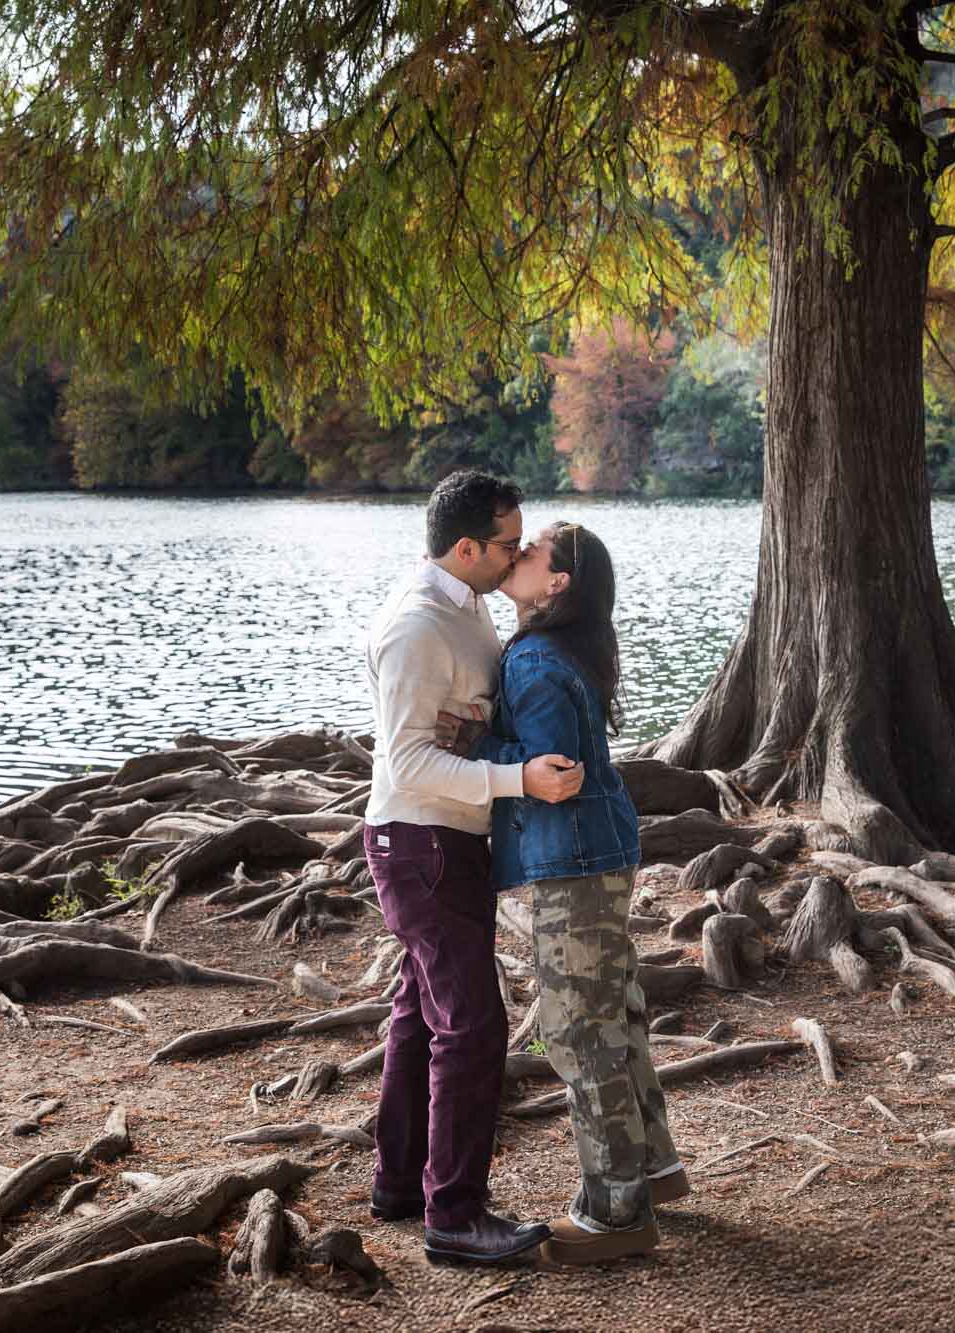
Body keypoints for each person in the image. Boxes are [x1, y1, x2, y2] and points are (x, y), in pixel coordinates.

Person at [443, 520, 687, 1265]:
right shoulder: (558, 649)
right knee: (616, 1014)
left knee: (579, 1032)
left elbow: (557, 773)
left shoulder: (539, 660)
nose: (517, 553)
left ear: (558, 585)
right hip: (598, 854)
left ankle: (617, 1213)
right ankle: (654, 1169)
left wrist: (478, 745)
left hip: (573, 863)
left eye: (535, 549)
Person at [361, 469, 585, 1266]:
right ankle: (454, 1215)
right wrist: (515, 777)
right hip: (419, 843)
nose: (517, 551)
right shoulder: (418, 625)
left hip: (449, 843)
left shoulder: (470, 607)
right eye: (505, 542)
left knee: (421, 1014)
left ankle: (398, 1182)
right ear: (463, 548)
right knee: (473, 1024)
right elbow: (410, 761)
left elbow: (466, 723)